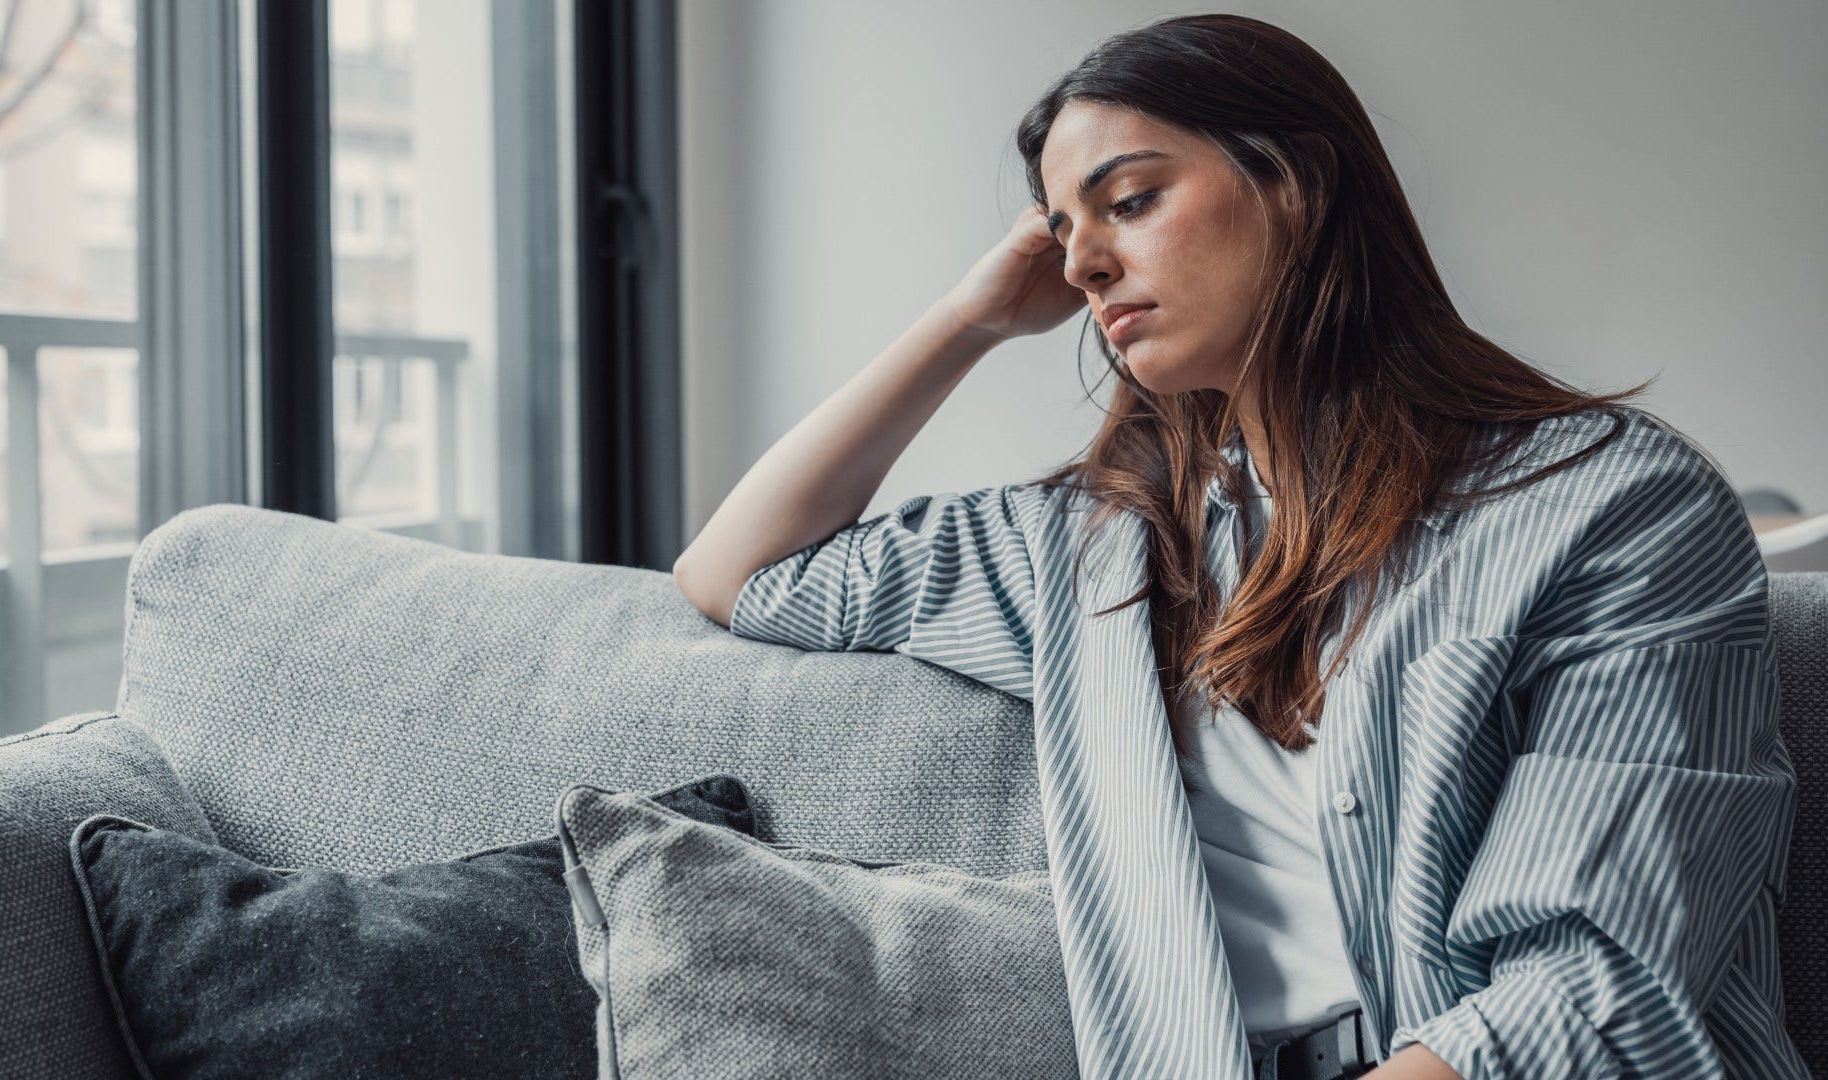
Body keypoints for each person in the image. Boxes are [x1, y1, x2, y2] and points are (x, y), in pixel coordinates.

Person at [674, 13, 1805, 1080]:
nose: (1080, 266)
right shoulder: (1097, 556)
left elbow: (1591, 984)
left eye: (1129, 200)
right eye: (1061, 232)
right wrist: (968, 320)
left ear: (1296, 184)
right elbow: (738, 571)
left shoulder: (1614, 506)